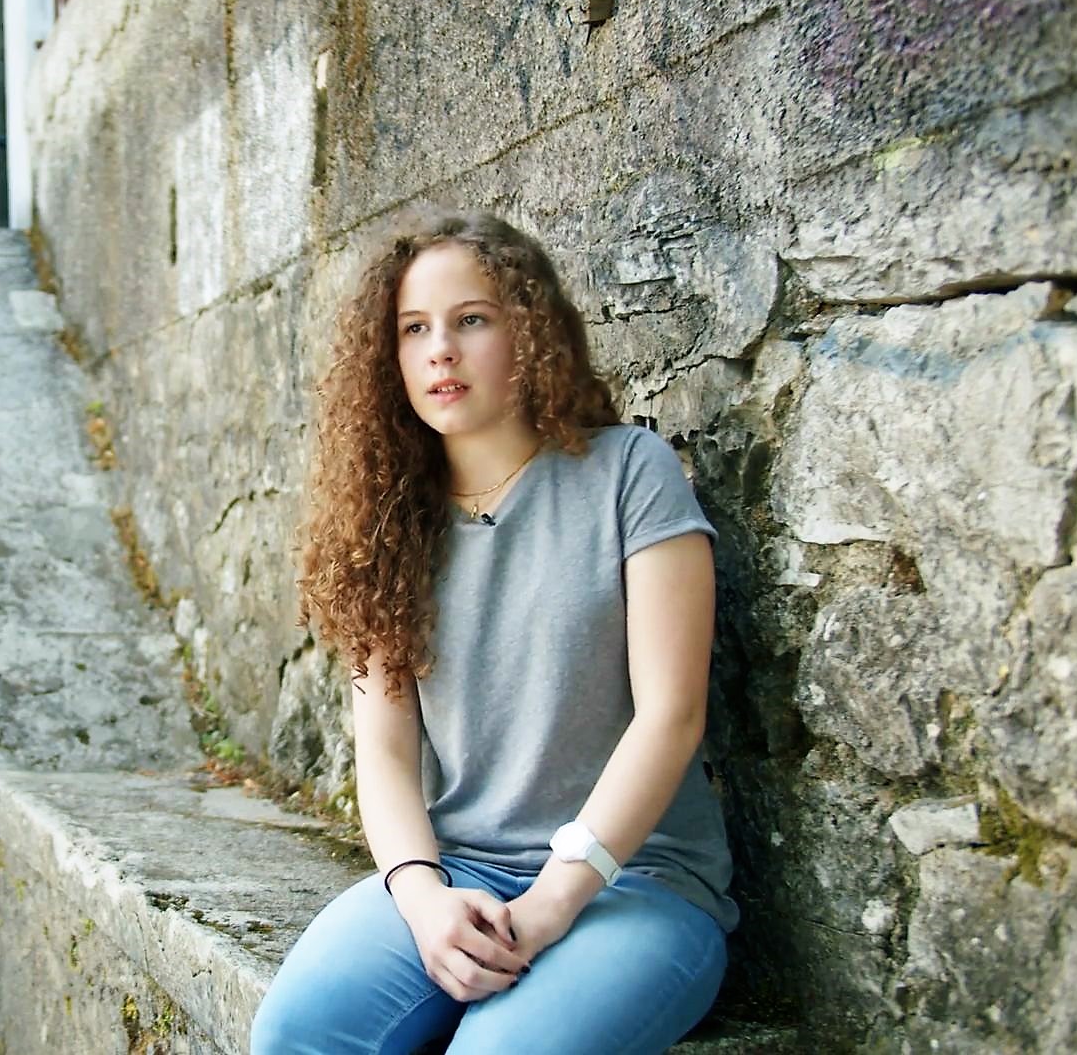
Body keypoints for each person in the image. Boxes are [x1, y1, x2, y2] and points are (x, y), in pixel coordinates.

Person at [250, 209, 737, 1054]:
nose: (440, 349)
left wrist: (552, 902)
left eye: (470, 320)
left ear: (530, 331)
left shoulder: (629, 473)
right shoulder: (387, 524)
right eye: (414, 329)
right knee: (295, 1033)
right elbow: (385, 756)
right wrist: (421, 897)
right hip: (459, 871)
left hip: (636, 882)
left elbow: (672, 716)